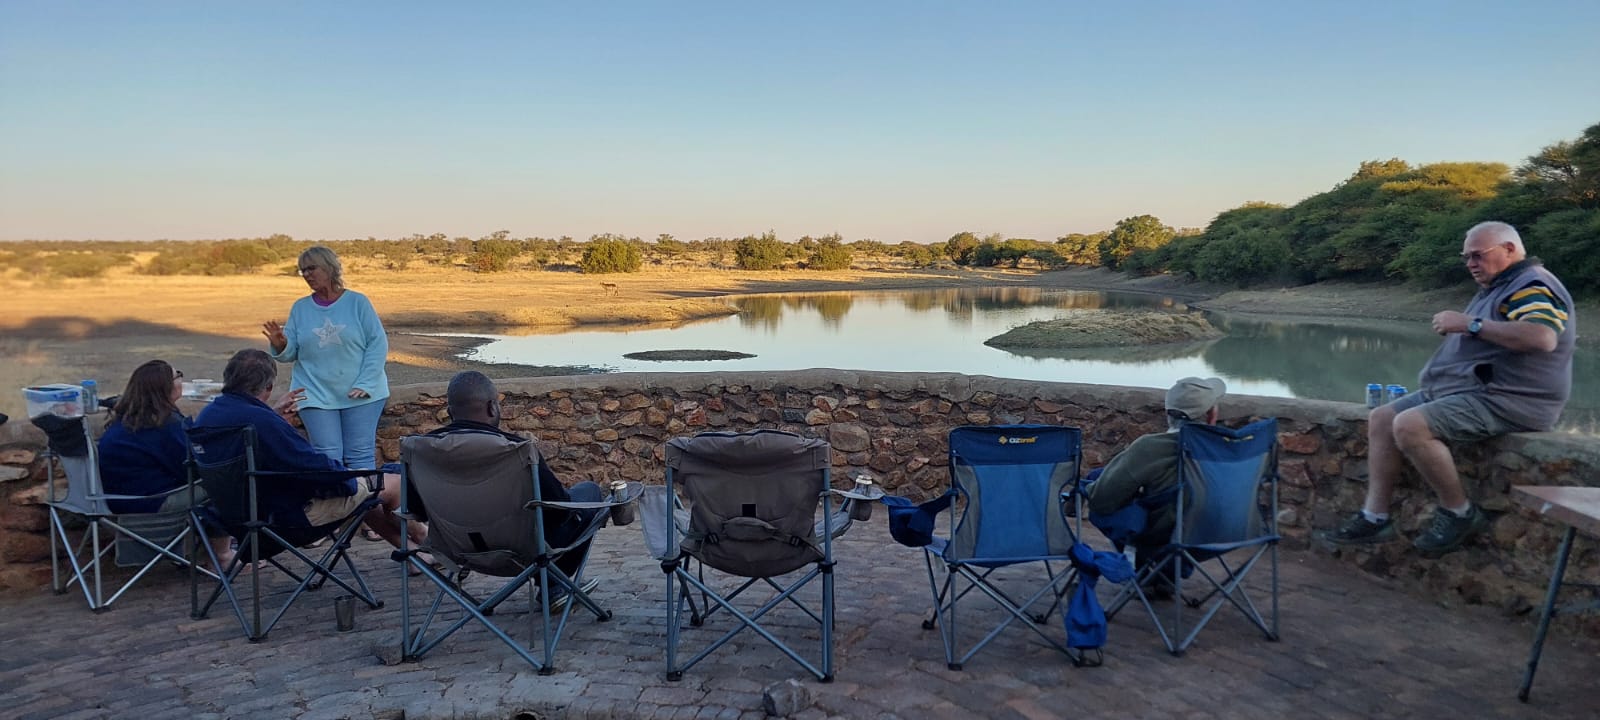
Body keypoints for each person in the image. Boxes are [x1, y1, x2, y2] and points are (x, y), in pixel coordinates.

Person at [1324, 221, 1576, 557]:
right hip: (1470, 391)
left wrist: (1469, 324)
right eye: (1466, 257)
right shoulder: (1498, 286)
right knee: (1382, 418)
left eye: (1478, 255)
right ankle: (1375, 517)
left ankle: (1459, 513)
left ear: (1510, 249)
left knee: (1410, 425)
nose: (1471, 263)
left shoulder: (1531, 284)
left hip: (1509, 399)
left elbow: (1542, 337)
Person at [193, 349, 421, 550]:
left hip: (236, 519)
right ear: (269, 387)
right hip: (286, 520)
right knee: (391, 482)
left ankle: (415, 553)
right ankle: (425, 538)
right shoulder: (262, 423)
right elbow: (311, 467)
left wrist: (272, 415)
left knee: (367, 497)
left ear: (228, 379)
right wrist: (349, 481)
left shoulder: (207, 417)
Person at [414, 371, 603, 597]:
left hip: (457, 550)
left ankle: (553, 586)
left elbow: (415, 510)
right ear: (492, 408)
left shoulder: (421, 451)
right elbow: (559, 511)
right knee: (589, 492)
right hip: (524, 553)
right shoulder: (517, 450)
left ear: (449, 412)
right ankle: (553, 585)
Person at [1082, 377, 1229, 593]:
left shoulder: (1151, 448)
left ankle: (1149, 571)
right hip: (1226, 532)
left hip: (1168, 537)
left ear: (1168, 413)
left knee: (1101, 501)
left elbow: (1101, 501)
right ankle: (1164, 573)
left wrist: (1086, 488)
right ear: (1211, 416)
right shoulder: (1232, 447)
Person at [261, 245, 390, 472]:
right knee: (327, 456)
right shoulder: (300, 308)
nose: (307, 275)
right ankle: (334, 497)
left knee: (360, 455)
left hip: (361, 393)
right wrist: (280, 343)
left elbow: (377, 344)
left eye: (312, 268)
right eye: (303, 270)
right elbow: (290, 353)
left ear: (329, 268)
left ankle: (366, 496)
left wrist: (366, 383)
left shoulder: (357, 303)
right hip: (315, 393)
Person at [97, 359, 234, 564]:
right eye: (178, 375)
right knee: (228, 482)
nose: (181, 379)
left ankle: (205, 549)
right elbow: (192, 469)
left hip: (115, 502)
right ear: (166, 388)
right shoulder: (164, 424)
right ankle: (222, 556)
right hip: (151, 503)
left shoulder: (126, 419)